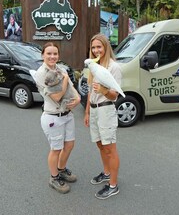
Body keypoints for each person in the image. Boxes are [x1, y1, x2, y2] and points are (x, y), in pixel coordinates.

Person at [34, 42, 81, 194]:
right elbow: (57, 97)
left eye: (55, 53)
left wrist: (78, 98)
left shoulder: (59, 69)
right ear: (43, 55)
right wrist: (65, 81)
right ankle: (54, 178)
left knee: (69, 145)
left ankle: (61, 169)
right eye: (49, 53)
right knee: (56, 149)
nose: (52, 56)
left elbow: (71, 87)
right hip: (53, 117)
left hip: (67, 115)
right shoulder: (42, 74)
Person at [84, 34, 122, 199]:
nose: (96, 50)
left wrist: (104, 91)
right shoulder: (93, 65)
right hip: (93, 110)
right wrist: (87, 111)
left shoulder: (113, 67)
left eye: (99, 47)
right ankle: (106, 172)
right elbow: (90, 91)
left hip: (106, 110)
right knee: (100, 145)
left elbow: (115, 96)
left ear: (106, 47)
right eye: (93, 47)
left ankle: (113, 185)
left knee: (109, 148)